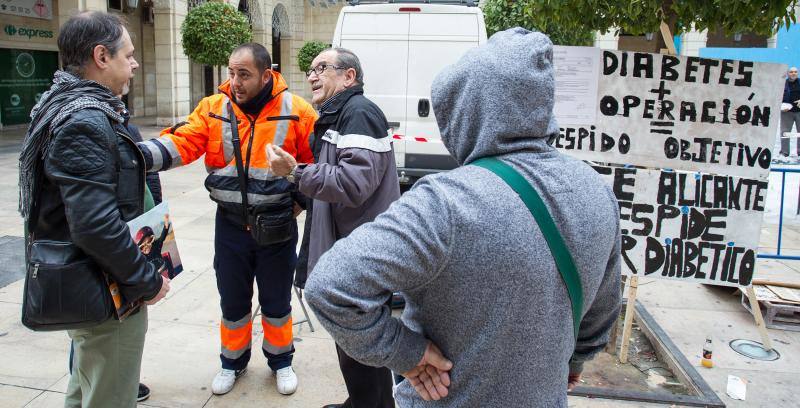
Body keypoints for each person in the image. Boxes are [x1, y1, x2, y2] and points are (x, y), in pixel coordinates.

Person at [303, 28, 622, 407]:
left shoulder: (445, 204)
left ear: (465, 110)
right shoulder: (597, 191)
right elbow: (604, 307)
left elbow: (330, 287)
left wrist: (406, 352)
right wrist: (575, 357)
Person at [137, 42, 316, 396]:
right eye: (231, 73)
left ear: (267, 75)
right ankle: (231, 362)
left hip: (276, 225)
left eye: (244, 74)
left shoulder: (297, 110)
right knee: (232, 300)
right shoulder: (213, 108)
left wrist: (299, 201)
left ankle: (281, 361)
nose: (235, 81)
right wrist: (135, 154)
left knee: (277, 300)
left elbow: (314, 164)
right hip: (230, 225)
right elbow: (182, 143)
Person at [18, 11, 169, 408]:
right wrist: (146, 280)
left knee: (87, 385)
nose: (134, 63)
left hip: (100, 282)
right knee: (108, 395)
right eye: (129, 54)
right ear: (102, 56)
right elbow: (95, 225)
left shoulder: (70, 106)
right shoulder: (85, 118)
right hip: (107, 291)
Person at [267, 47, 400, 408]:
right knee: (354, 339)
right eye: (310, 69)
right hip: (350, 249)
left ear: (348, 76)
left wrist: (295, 172)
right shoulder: (341, 114)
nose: (311, 75)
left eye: (321, 68)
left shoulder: (358, 113)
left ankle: (370, 404)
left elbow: (354, 183)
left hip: (360, 254)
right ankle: (362, 402)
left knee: (360, 340)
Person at [781, 67, 800, 157]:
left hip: (799, 112)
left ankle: (799, 152)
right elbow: (776, 96)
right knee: (784, 132)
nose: (793, 73)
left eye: (795, 72)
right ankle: (784, 152)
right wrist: (781, 106)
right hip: (786, 112)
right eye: (791, 72)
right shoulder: (782, 83)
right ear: (788, 73)